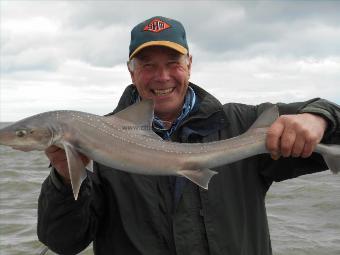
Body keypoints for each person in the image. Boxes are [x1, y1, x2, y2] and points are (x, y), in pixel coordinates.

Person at [38, 16, 340, 255]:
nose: (162, 77)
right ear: (131, 72)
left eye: (173, 64)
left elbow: (328, 119)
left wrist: (320, 117)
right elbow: (65, 242)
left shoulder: (243, 124)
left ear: (189, 65)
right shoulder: (96, 143)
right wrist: (64, 180)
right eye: (148, 66)